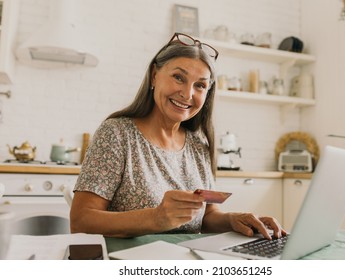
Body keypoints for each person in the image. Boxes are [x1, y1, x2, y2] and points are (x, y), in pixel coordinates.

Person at [70, 33, 286, 239]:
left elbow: (207, 216)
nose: (187, 94)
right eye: (178, 77)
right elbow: (81, 221)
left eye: (200, 85)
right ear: (155, 75)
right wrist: (155, 218)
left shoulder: (198, 145)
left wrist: (233, 220)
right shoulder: (117, 134)